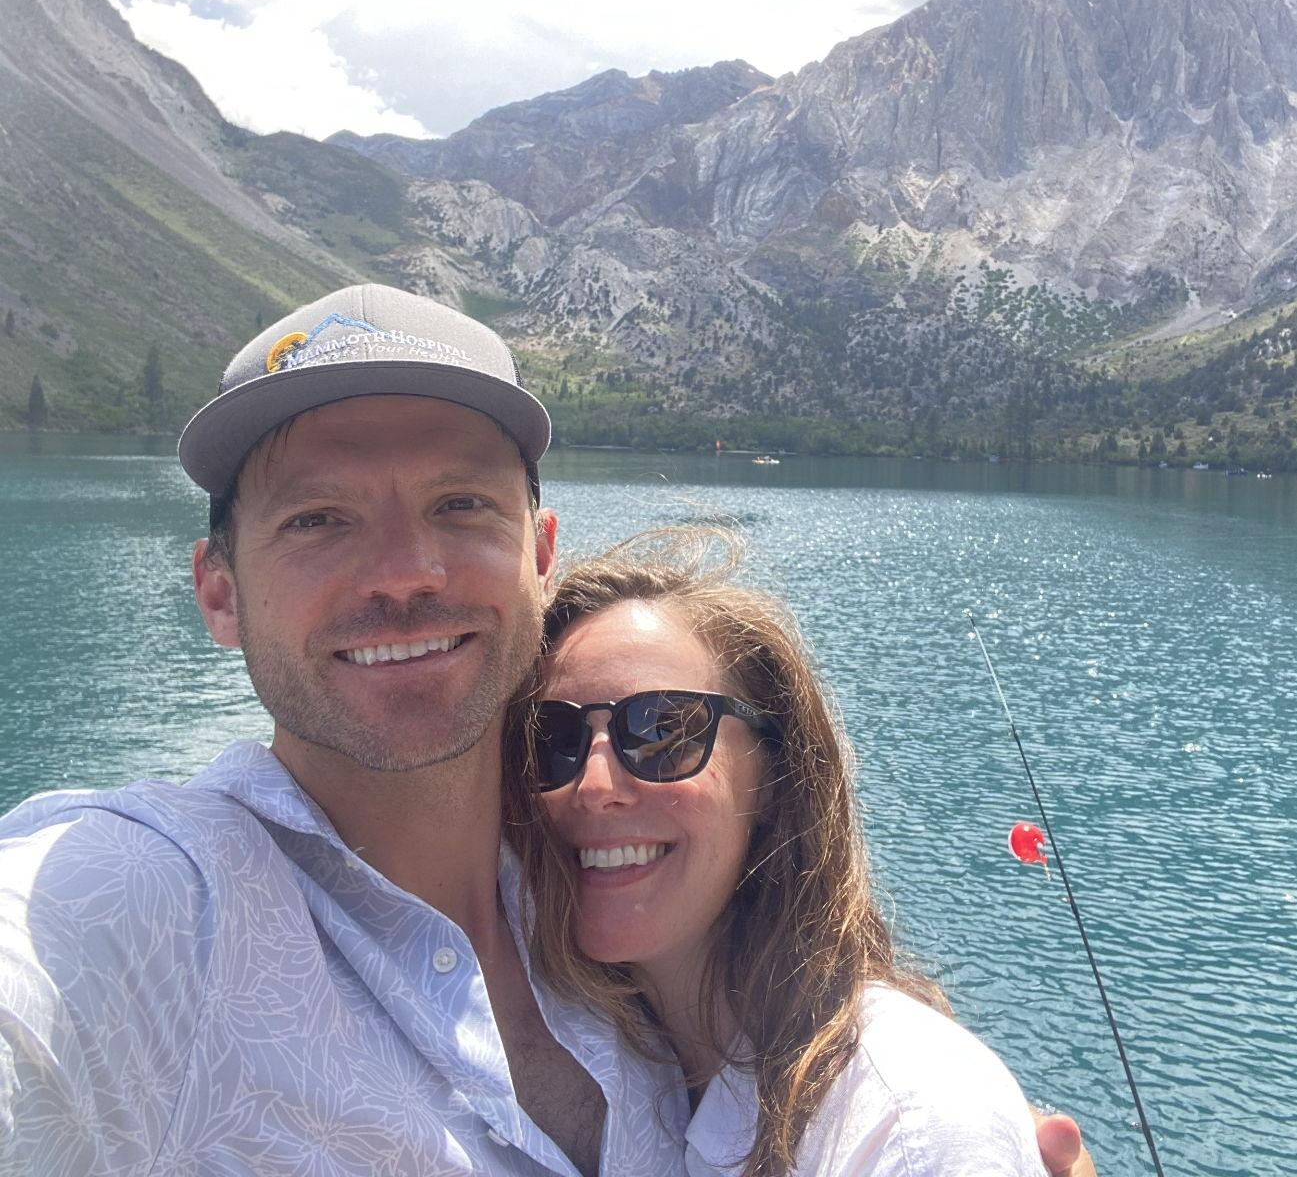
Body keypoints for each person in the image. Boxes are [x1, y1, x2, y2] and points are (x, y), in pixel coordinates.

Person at [0, 283, 1092, 1175]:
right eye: (318, 519)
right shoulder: (134, 908)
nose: (406, 574)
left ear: (539, 553)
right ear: (219, 591)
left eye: (461, 505)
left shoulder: (615, 926)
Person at [513, 528, 1082, 1176]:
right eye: (551, 739)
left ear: (775, 775)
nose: (591, 785)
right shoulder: (624, 1070)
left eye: (663, 729)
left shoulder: (904, 1120)